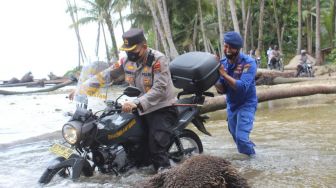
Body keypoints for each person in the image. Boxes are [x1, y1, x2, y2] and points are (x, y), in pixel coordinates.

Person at [92, 28, 177, 172]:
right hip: (138, 108)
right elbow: (107, 74)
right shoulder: (126, 61)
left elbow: (159, 89)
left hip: (162, 108)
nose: (130, 54)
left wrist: (136, 103)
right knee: (130, 141)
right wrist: (82, 88)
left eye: (133, 51)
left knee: (156, 148)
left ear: (144, 46)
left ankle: (165, 174)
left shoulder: (158, 60)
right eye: (127, 51)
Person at [215, 31, 258, 157]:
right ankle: (250, 151)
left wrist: (223, 74)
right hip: (231, 105)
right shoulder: (222, 64)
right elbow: (221, 90)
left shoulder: (248, 63)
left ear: (238, 49)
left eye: (231, 47)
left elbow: (242, 87)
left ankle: (254, 162)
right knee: (237, 138)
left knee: (242, 139)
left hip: (247, 104)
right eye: (225, 46)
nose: (227, 50)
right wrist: (214, 77)